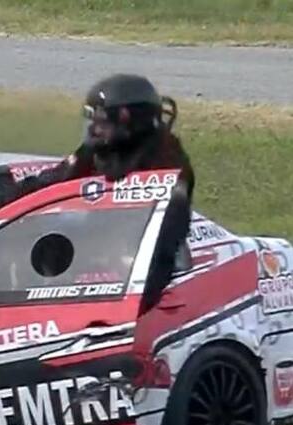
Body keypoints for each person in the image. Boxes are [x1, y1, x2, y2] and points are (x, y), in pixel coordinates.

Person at [16, 73, 195, 310]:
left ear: (127, 121)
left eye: (102, 123)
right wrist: (11, 198)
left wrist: (136, 304)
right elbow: (57, 180)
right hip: (101, 241)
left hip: (135, 258)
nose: (94, 131)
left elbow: (165, 240)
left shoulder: (167, 164)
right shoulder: (102, 149)